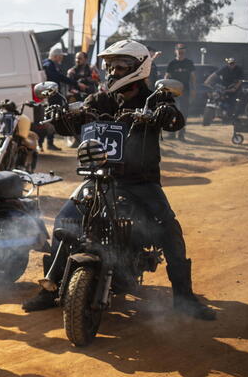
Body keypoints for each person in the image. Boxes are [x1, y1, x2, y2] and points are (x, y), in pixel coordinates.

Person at [22, 39, 216, 321]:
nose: (113, 71)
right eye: (110, 66)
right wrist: (58, 112)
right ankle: (50, 289)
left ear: (139, 67)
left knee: (169, 228)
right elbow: (70, 125)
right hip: (99, 178)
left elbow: (175, 120)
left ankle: (185, 297)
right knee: (65, 221)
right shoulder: (100, 99)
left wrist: (165, 114)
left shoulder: (154, 98)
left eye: (120, 66)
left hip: (140, 181)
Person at [41, 48, 87, 150]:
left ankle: (46, 142)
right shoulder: (49, 65)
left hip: (52, 96)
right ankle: (48, 143)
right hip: (51, 97)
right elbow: (59, 77)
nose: (62, 58)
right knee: (51, 119)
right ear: (56, 56)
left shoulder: (50, 64)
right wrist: (76, 83)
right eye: (61, 56)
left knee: (50, 119)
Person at [165, 43, 195, 140]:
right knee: (171, 112)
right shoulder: (172, 63)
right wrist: (164, 88)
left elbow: (193, 77)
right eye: (179, 49)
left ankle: (181, 135)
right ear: (175, 51)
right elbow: (166, 77)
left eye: (182, 49)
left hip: (185, 91)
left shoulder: (189, 63)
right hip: (172, 92)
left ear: (185, 51)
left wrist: (193, 89)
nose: (180, 51)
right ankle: (171, 134)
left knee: (183, 113)